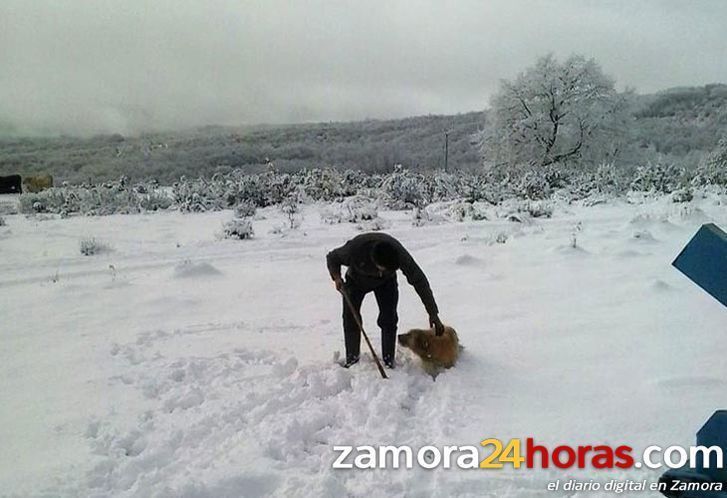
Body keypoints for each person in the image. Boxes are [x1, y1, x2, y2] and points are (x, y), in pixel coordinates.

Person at [326, 232, 443, 368]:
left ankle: (388, 361)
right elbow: (332, 257)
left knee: (389, 319)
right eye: (382, 270)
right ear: (374, 261)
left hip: (386, 284)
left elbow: (419, 281)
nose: (381, 273)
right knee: (351, 319)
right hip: (356, 281)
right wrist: (337, 277)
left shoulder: (399, 255)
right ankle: (352, 361)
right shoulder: (355, 249)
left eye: (388, 270)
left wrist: (433, 312)